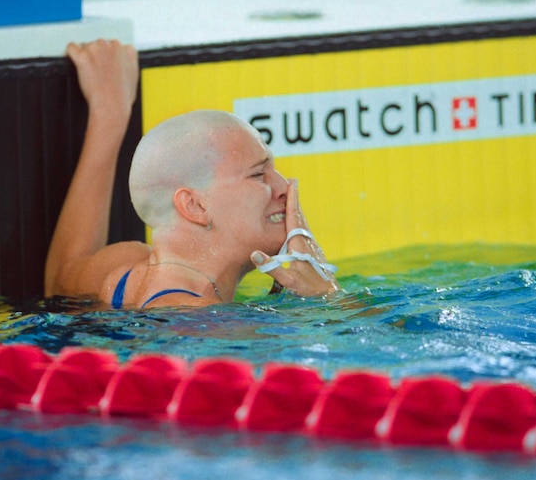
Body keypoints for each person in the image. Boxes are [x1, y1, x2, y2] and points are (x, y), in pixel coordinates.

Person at [44, 39, 338, 309]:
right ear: (194, 206)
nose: (285, 186)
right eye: (258, 175)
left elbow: (60, 279)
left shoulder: (123, 272)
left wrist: (110, 112)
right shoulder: (202, 320)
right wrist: (326, 295)